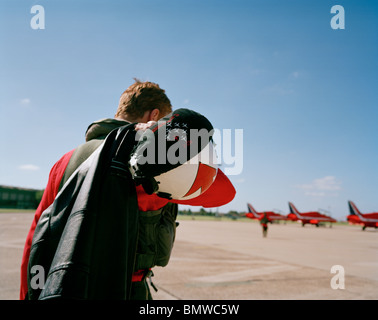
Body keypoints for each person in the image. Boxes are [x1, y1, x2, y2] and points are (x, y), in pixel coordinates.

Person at [20, 79, 175, 300]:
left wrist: (28, 294)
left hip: (65, 287)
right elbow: (213, 194)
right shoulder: (157, 162)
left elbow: (36, 238)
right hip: (128, 290)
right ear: (154, 116)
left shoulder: (66, 161)